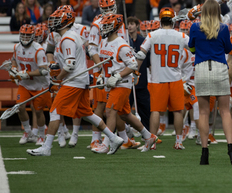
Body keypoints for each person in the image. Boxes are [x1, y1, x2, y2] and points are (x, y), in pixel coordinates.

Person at [27, 8, 123, 156]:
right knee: (87, 114)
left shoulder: (68, 39)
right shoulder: (68, 37)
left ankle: (46, 147)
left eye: (57, 19)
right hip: (78, 80)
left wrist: (57, 80)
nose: (53, 22)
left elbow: (70, 65)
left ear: (65, 21)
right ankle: (113, 138)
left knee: (54, 111)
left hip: (74, 82)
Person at [187, 0, 232, 165]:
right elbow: (229, 49)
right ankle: (231, 149)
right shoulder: (223, 28)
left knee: (203, 112)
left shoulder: (195, 27)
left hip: (201, 68)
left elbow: (191, 48)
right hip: (219, 67)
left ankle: (204, 152)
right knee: (224, 111)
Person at [98, 14, 157, 153]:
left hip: (122, 83)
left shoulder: (122, 44)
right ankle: (149, 136)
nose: (104, 28)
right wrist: (102, 76)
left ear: (115, 27)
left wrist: (118, 75)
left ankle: (108, 142)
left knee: (110, 111)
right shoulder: (104, 42)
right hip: (112, 83)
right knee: (125, 114)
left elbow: (133, 65)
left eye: (107, 25)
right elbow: (106, 64)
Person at [136, 8, 187, 150]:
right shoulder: (181, 36)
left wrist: (135, 71)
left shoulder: (152, 35)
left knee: (156, 111)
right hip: (176, 78)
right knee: (177, 111)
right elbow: (194, 49)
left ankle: (151, 142)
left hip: (158, 78)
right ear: (173, 20)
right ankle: (178, 141)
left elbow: (141, 54)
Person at [9, 24, 50, 145]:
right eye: (23, 35)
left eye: (28, 36)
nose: (25, 38)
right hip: (25, 84)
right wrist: (13, 69)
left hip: (39, 85)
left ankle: (42, 135)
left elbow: (43, 70)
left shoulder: (38, 50)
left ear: (33, 36)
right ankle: (28, 132)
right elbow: (14, 59)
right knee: (19, 107)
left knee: (38, 111)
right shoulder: (16, 47)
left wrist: (27, 73)